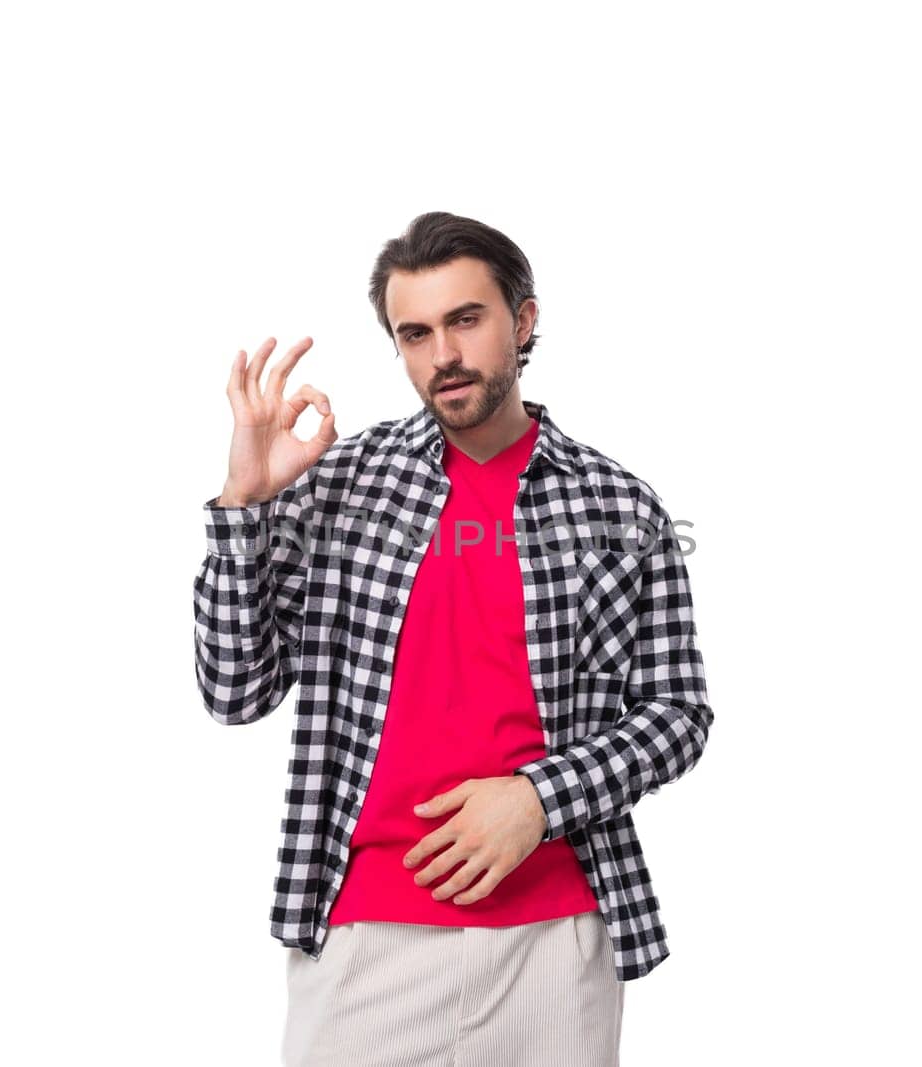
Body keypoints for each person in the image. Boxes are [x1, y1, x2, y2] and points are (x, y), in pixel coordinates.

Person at [193, 211, 714, 1066]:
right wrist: (244, 504)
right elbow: (234, 690)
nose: (444, 355)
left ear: (525, 320)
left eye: (466, 320)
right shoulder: (338, 485)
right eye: (415, 333)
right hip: (365, 937)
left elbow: (677, 714)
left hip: (555, 937)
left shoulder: (620, 508)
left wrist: (539, 797)